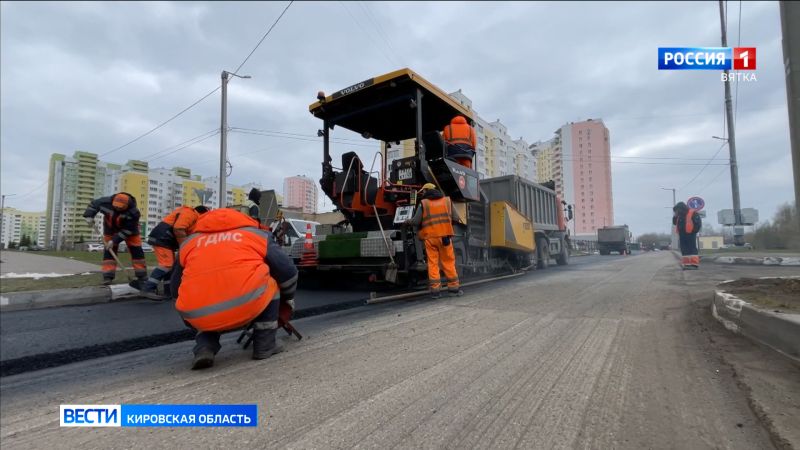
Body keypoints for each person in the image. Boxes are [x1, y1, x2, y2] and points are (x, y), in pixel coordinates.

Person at [171, 208, 298, 370]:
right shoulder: (256, 235)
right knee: (271, 282)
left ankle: (205, 348)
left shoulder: (189, 243)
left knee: (201, 295)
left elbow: (175, 287)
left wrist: (184, 311)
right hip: (248, 304)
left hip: (197, 314)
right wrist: (287, 297)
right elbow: (288, 272)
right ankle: (265, 345)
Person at [405, 183, 463, 298]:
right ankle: (454, 289)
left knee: (433, 263)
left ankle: (435, 292)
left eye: (423, 191)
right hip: (444, 238)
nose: (422, 193)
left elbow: (416, 221)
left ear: (426, 191)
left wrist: (407, 222)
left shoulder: (424, 203)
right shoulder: (447, 201)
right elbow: (456, 218)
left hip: (430, 239)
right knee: (448, 262)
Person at [139, 205, 209, 298]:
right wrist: (184, 246)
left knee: (171, 266)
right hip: (162, 239)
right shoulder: (190, 214)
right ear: (202, 213)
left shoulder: (191, 216)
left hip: (165, 239)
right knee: (166, 265)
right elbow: (178, 229)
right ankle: (147, 289)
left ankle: (168, 292)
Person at [83, 192, 146, 285]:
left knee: (137, 251)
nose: (117, 208)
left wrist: (114, 240)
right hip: (110, 230)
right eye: (116, 206)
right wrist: (89, 215)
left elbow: (128, 230)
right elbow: (93, 205)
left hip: (130, 231)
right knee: (109, 253)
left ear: (127, 205)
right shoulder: (105, 202)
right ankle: (108, 277)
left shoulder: (134, 213)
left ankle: (142, 276)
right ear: (113, 201)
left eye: (121, 207)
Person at [672, 201, 702, 269]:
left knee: (691, 248)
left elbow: (698, 224)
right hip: (682, 234)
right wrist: (675, 215)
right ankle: (687, 264)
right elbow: (674, 223)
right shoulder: (679, 215)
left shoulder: (692, 213)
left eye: (677, 210)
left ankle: (694, 264)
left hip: (691, 234)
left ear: (681, 208)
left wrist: (694, 231)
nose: (676, 211)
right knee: (684, 249)